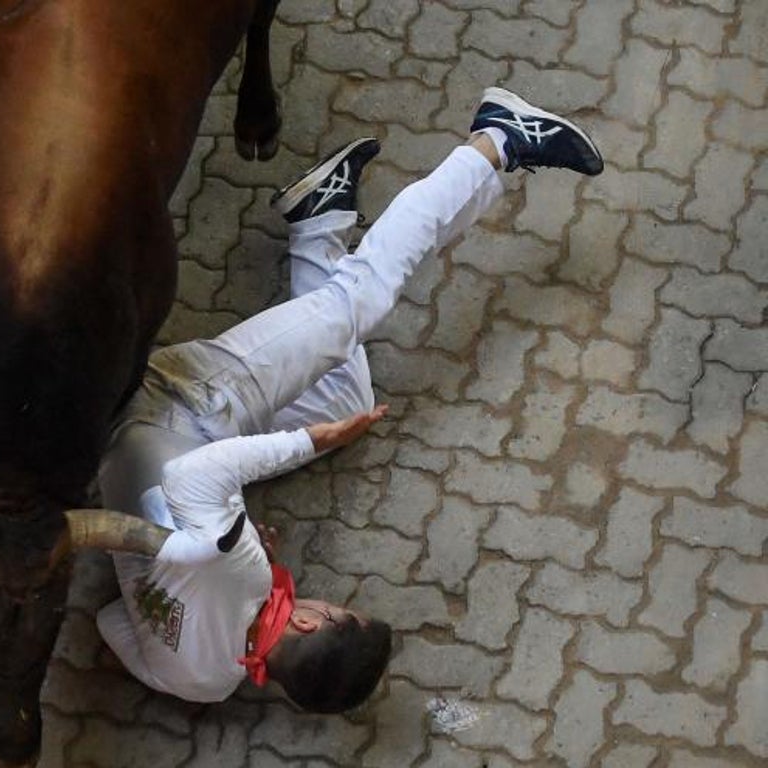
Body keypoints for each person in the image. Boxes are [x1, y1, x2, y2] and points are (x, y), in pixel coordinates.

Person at [95, 87, 604, 712]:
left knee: (356, 305)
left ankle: (497, 140)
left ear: (312, 622)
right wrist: (181, 574)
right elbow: (112, 625)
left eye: (338, 606)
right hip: (125, 462)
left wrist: (307, 447)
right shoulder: (204, 683)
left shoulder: (241, 565)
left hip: (181, 403)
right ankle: (320, 219)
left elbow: (198, 478)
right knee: (347, 396)